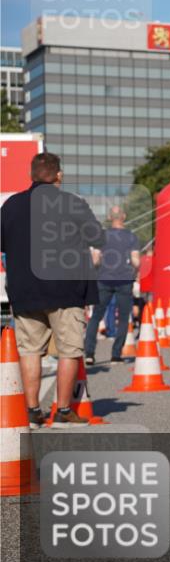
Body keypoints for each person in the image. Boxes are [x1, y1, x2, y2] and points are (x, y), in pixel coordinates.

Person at [0, 152, 105, 427]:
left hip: (24, 290)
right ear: (59, 175)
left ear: (31, 175)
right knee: (69, 350)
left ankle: (32, 412)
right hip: (66, 290)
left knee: (30, 350)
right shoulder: (72, 203)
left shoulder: (11, 205)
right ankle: (63, 410)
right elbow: (97, 237)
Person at [84, 206, 139, 364]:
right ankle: (116, 354)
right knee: (122, 318)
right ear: (124, 216)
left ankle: (89, 354)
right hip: (124, 280)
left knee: (96, 317)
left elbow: (95, 260)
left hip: (104, 279)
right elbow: (136, 261)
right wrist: (135, 270)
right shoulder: (131, 237)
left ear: (109, 217)